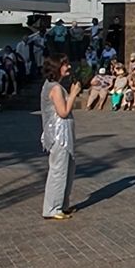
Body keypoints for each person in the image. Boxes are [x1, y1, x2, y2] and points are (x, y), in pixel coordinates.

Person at [40, 54, 80, 220]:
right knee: (59, 170)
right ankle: (52, 208)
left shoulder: (55, 85)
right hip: (59, 133)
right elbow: (63, 112)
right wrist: (73, 94)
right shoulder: (55, 88)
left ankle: (62, 204)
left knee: (68, 168)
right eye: (64, 65)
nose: (68, 67)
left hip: (64, 132)